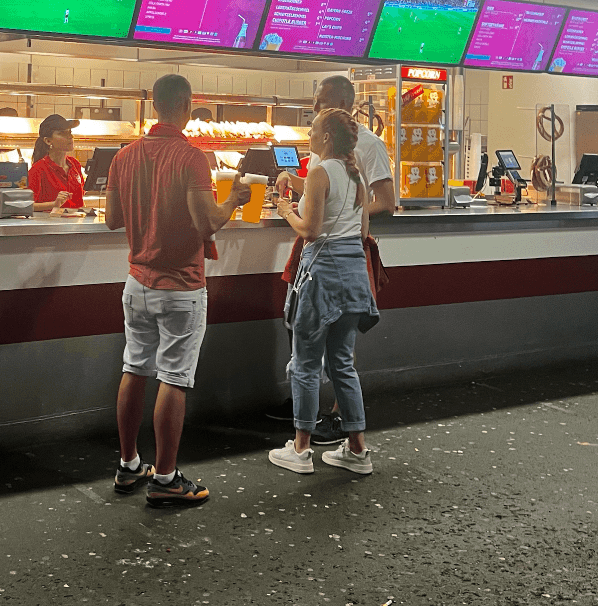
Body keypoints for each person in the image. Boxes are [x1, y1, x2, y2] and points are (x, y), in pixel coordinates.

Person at [105, 73, 251, 506]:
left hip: (137, 282)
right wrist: (234, 201)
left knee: (134, 368)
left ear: (154, 106)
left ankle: (129, 465)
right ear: (186, 106)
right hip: (181, 287)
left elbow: (113, 219)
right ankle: (166, 477)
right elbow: (207, 221)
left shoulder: (124, 156)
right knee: (174, 377)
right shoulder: (192, 158)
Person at [273, 73, 395, 443]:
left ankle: (311, 434)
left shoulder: (368, 146)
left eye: (320, 103)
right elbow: (333, 190)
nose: (313, 110)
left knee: (311, 353)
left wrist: (306, 212)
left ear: (342, 104)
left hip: (327, 258)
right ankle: (349, 439)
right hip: (348, 261)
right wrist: (297, 182)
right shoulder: (335, 160)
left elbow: (386, 203)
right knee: (338, 355)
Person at [27, 114, 85, 213]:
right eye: (62, 133)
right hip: (51, 226)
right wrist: (54, 204)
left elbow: (79, 199)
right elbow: (26, 205)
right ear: (48, 141)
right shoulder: (38, 169)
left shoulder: (75, 164)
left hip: (76, 225)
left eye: (69, 132)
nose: (70, 136)